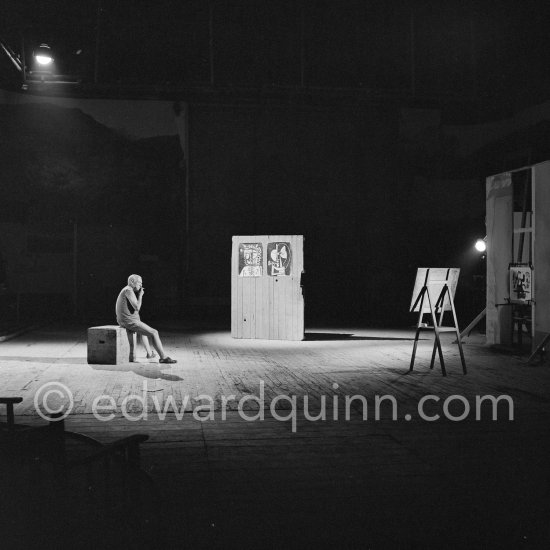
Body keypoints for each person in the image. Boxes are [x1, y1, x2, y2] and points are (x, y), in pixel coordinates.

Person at [115, 274, 176, 364]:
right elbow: (137, 307)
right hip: (128, 321)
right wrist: (141, 295)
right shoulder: (128, 290)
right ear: (132, 281)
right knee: (154, 332)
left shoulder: (127, 289)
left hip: (127, 320)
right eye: (139, 283)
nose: (141, 286)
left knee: (143, 332)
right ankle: (163, 357)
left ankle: (149, 353)